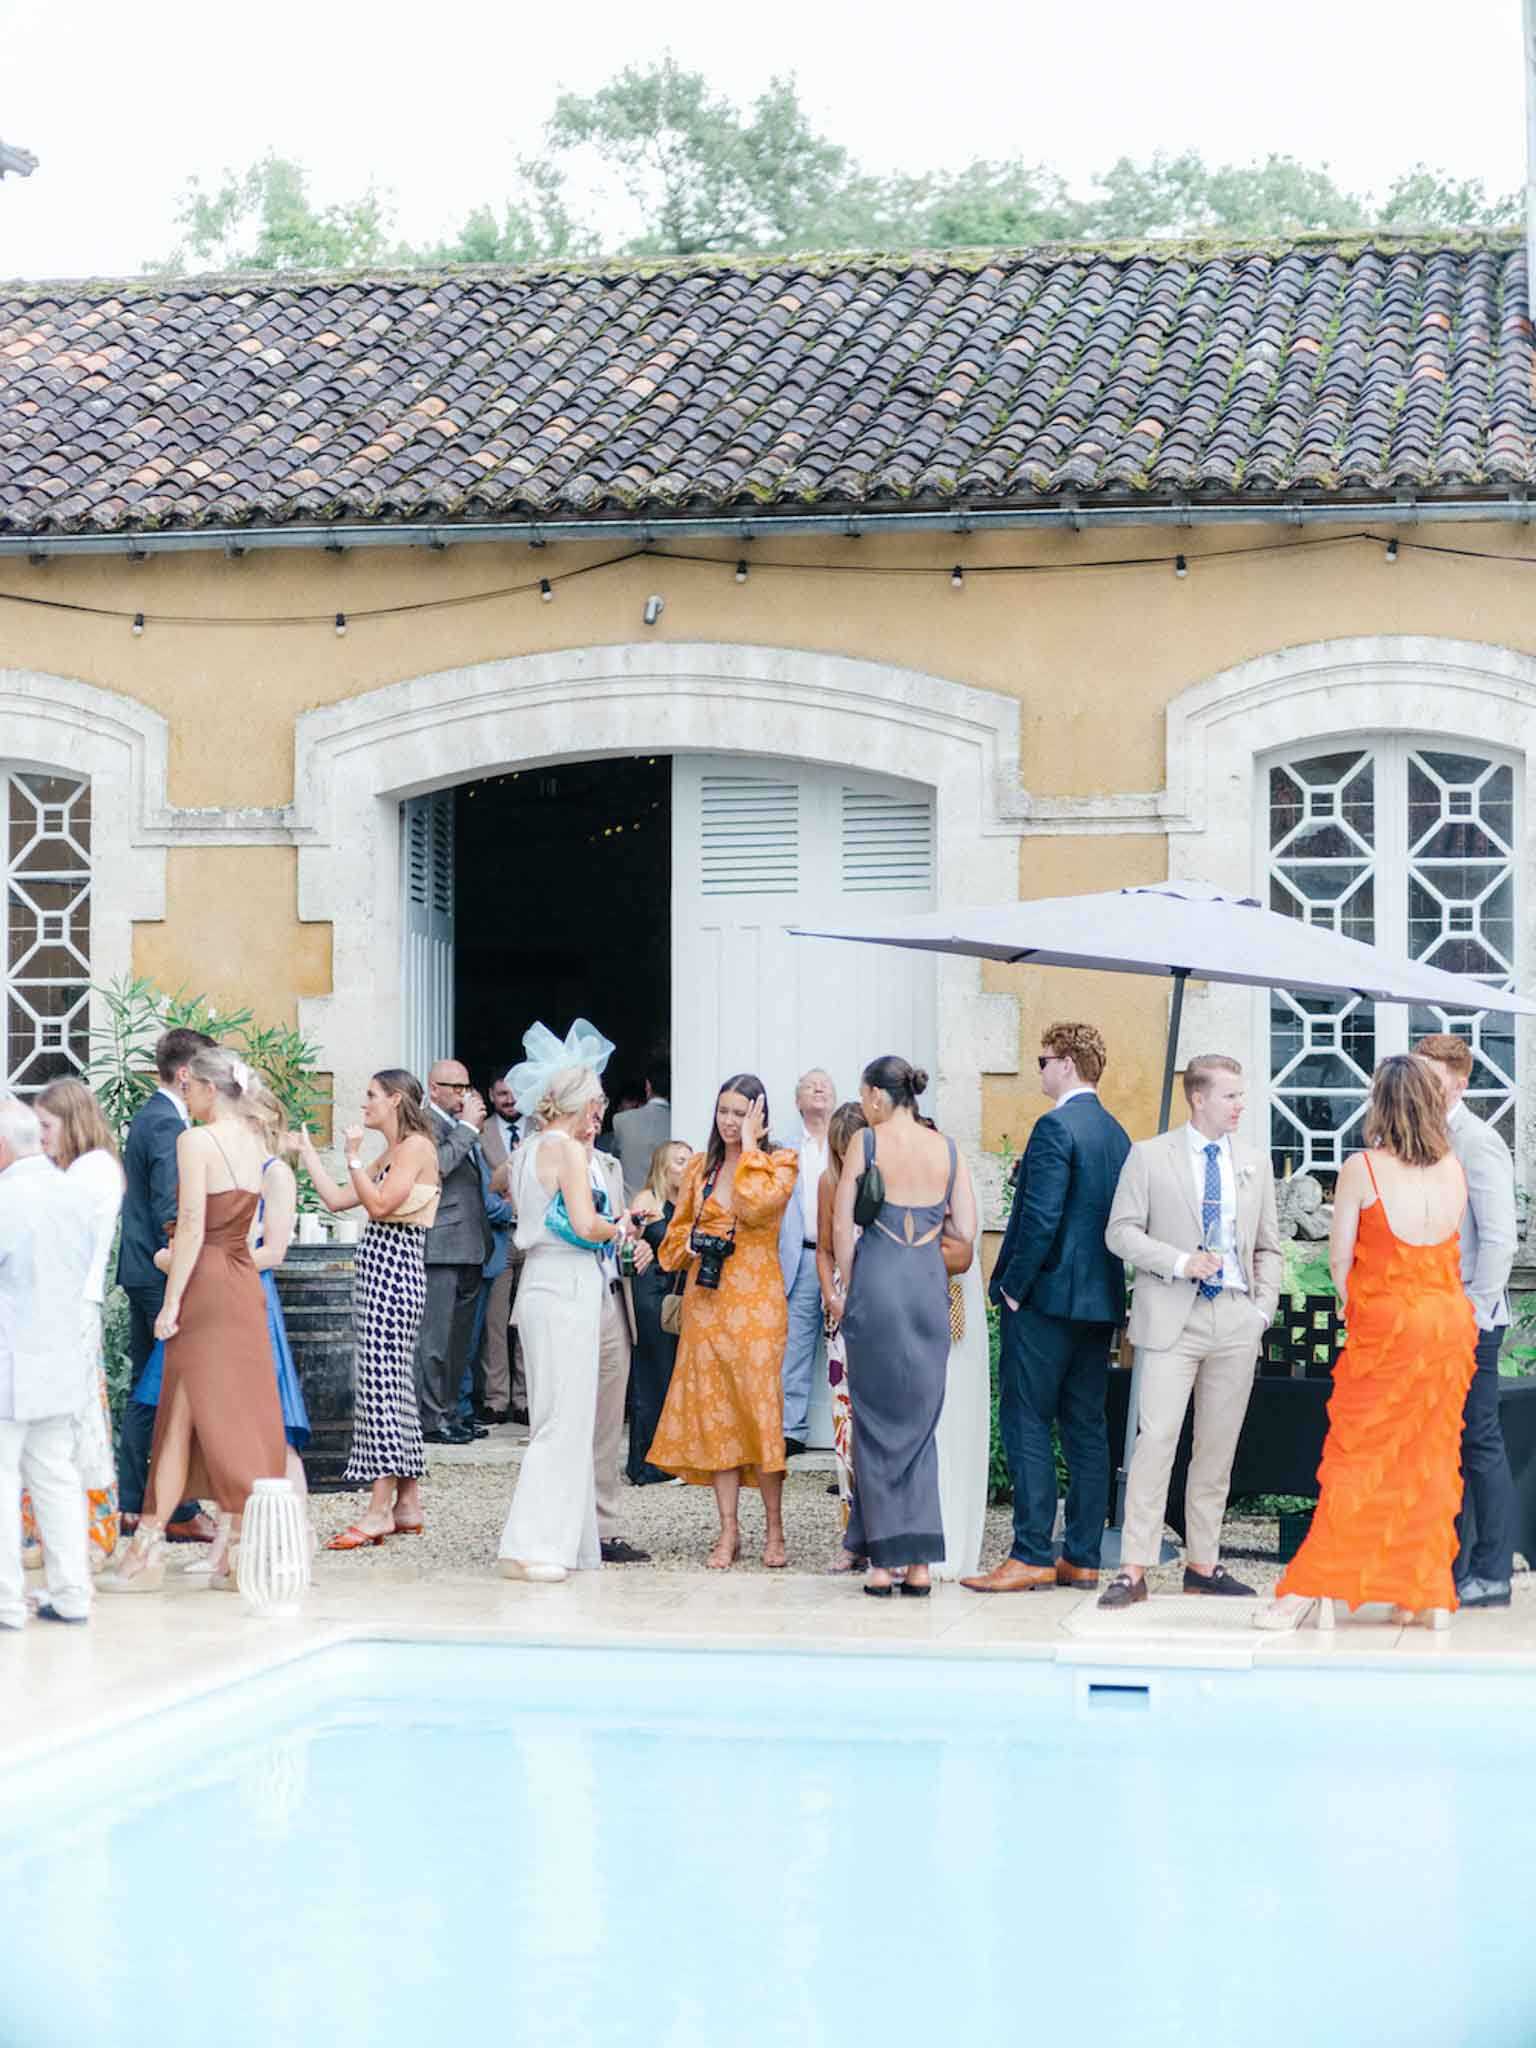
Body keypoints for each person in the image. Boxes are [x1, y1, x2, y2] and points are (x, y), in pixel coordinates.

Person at [1259, 1055, 1477, 1630]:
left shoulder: (1363, 1167)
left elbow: (1339, 1260)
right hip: (1449, 1325)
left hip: (1388, 1328)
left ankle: (1311, 1586)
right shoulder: (1453, 1166)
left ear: (1380, 1103)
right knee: (1430, 1458)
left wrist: (1362, 1308)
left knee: (1360, 1455)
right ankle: (1422, 1588)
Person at [1096, 1054, 1282, 1610]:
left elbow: (1269, 1246)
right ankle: (1134, 1568)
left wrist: (1262, 1312)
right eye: (1229, 1096)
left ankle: (1203, 1563)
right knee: (1155, 1441)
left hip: (1234, 1317)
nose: (1239, 1105)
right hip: (1172, 1314)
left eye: (1241, 1095)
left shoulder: (1254, 1160)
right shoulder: (1149, 1156)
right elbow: (1120, 1233)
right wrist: (1178, 1261)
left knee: (1217, 1446)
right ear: (1197, 1098)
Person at [99, 1049, 287, 1593]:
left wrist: (171, 1300)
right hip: (241, 1282)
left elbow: (190, 1224)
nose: (189, 1099)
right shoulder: (256, 1142)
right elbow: (242, 1230)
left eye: (192, 1091)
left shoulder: (196, 1140)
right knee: (235, 1409)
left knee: (180, 1412)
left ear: (206, 1088)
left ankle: (148, 1549)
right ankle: (236, 1547)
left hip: (205, 1281)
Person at [962, 1023, 1131, 1596]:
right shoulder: (1116, 1133)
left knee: (1026, 1417)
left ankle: (1032, 1551)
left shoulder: (1055, 1125)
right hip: (1099, 1301)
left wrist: (1012, 1287)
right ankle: (1082, 1555)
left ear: (1066, 1064)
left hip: (1047, 1299)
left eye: (1042, 1061)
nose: (1038, 1070)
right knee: (1085, 1425)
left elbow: (1040, 1219)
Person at [834, 1056, 977, 1596]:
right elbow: (964, 1229)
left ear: (875, 1096)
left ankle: (880, 1564)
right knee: (919, 1429)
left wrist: (852, 1288)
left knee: (874, 1426)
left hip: (878, 1285)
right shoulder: (948, 1148)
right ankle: (917, 1564)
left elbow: (843, 1227)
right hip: (926, 1291)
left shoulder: (865, 1144)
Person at [649, 1074, 798, 1570]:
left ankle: (775, 1529)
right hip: (707, 1304)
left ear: (760, 1115)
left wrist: (753, 1146)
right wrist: (689, 1245)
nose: (730, 1122)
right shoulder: (699, 1168)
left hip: (757, 1304)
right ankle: (728, 1531)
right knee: (717, 1418)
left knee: (760, 1412)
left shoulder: (780, 1161)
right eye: (724, 1112)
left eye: (740, 1113)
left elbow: (758, 1206)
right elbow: (669, 1246)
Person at [292, 1070, 441, 1549]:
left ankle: (378, 1510)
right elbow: (339, 1200)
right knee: (393, 1388)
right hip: (380, 1273)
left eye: (372, 1095)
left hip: (395, 1274)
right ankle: (407, 1503)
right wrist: (310, 1153)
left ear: (396, 1099)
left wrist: (354, 1154)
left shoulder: (416, 1147)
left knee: (379, 1388)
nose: (365, 1104)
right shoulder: (394, 1152)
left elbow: (378, 1206)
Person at [498, 1035, 626, 1583]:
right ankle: (531, 1546)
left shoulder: (524, 1151)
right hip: (570, 1284)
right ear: (584, 1105)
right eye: (595, 1105)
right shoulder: (570, 1151)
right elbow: (583, 1224)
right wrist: (618, 1228)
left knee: (554, 1415)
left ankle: (562, 1540)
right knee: (564, 1420)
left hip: (537, 1283)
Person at [1415, 1034, 1520, 1610]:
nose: (1424, 1086)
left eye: (1434, 1077)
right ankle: (1447, 1562)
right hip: (1429, 1318)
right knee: (1443, 1444)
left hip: (1471, 1320)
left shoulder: (1478, 1143)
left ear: (1460, 1081)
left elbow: (1499, 1238)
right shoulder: (1423, 1138)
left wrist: (1473, 1314)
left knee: (1479, 1440)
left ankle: (1492, 1572)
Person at [114, 1026, 217, 1546]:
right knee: (170, 1387)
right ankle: (172, 1506)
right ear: (185, 1075)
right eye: (205, 1073)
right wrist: (181, 1267)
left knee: (149, 1388)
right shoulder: (164, 1125)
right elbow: (169, 1210)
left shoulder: (157, 1118)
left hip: (142, 1270)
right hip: (158, 1271)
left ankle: (136, 1500)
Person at [0, 1098, 97, 1629]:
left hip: (11, 1356)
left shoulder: (7, 1198)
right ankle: (71, 1592)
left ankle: (7, 1603)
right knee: (56, 1479)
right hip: (59, 1354)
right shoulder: (72, 1193)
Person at [28, 1079, 125, 1571]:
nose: (40, 1135)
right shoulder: (78, 1169)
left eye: (46, 1126)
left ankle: (93, 1532)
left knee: (79, 1420)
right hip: (58, 1308)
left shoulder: (91, 1171)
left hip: (70, 1309)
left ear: (72, 1122)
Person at [239, 1080, 312, 1502]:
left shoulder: (275, 1173)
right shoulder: (236, 1172)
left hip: (255, 1296)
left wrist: (216, 1263)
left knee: (272, 1420)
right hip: (229, 1295)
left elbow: (275, 1252)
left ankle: (297, 1527)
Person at [585, 1089, 648, 1564]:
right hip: (569, 1298)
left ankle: (604, 1529)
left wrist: (635, 1237)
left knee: (608, 1425)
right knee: (568, 1421)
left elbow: (620, 1226)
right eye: (588, 1106)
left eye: (599, 1106)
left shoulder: (610, 1165)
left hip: (611, 1296)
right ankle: (566, 1524)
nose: (596, 1115)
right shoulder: (542, 1155)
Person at [415, 1059, 492, 1446]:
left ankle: (449, 1412)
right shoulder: (423, 1122)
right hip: (440, 1245)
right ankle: (430, 1419)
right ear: (434, 1088)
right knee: (435, 1340)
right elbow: (438, 1166)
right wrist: (466, 1129)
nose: (464, 1093)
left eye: (466, 1086)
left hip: (471, 1244)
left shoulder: (466, 1129)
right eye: (455, 1086)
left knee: (460, 1342)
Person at [816, 1101, 867, 1568]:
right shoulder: (829, 1183)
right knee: (844, 1426)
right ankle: (851, 1533)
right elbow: (823, 1250)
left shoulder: (885, 1184)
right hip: (841, 1312)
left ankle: (883, 1532)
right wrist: (832, 1299)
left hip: (878, 1304)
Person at [627, 1138, 692, 1485]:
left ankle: (671, 1459)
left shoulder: (691, 1204)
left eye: (690, 1159)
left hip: (679, 1296)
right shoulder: (647, 1200)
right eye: (680, 1160)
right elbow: (628, 1237)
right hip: (651, 1293)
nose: (687, 1165)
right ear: (663, 1166)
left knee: (674, 1377)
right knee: (651, 1375)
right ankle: (644, 1465)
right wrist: (637, 1242)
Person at [782, 1068, 835, 1458]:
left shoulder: (848, 1145)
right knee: (796, 1346)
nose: (819, 1088)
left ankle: (846, 1435)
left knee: (846, 1346)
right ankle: (791, 1431)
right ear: (798, 1102)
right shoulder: (784, 1149)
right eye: (810, 1085)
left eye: (825, 1085)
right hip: (800, 1257)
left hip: (840, 1257)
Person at [477, 1072, 524, 1425]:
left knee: (527, 1321)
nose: (510, 1100)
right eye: (503, 1093)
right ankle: (496, 1399)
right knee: (495, 1321)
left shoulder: (541, 1129)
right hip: (496, 1235)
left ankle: (524, 1399)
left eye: (515, 1093)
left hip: (534, 1236)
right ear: (492, 1096)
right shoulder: (479, 1132)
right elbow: (485, 1189)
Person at [612, 1057, 671, 1203]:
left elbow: (613, 1159)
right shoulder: (679, 1121)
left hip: (630, 1208)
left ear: (647, 1086)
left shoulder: (621, 1120)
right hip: (665, 1208)